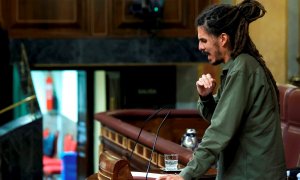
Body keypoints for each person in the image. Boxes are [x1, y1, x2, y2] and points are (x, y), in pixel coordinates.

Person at [157, 0, 286, 179]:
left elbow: (220, 130)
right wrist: (206, 98)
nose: (200, 47)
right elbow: (222, 119)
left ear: (223, 39)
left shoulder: (242, 68)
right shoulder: (237, 67)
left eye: (203, 40)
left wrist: (184, 176)